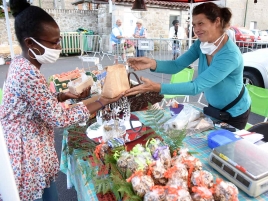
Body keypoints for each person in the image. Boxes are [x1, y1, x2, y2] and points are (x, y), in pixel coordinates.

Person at [0, 1, 123, 200]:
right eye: (54, 42)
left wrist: (62, 96)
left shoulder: (21, 64)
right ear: (30, 43)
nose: (59, 46)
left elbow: (33, 105)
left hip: (33, 150)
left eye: (59, 40)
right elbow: (59, 119)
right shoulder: (27, 73)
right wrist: (103, 101)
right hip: (27, 158)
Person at [125, 2, 251, 130]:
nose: (196, 29)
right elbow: (176, 65)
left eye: (201, 23)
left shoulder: (229, 55)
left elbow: (195, 87)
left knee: (224, 148)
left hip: (234, 111)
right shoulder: (201, 44)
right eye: (194, 25)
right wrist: (152, 63)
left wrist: (155, 87)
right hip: (214, 107)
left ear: (217, 21)